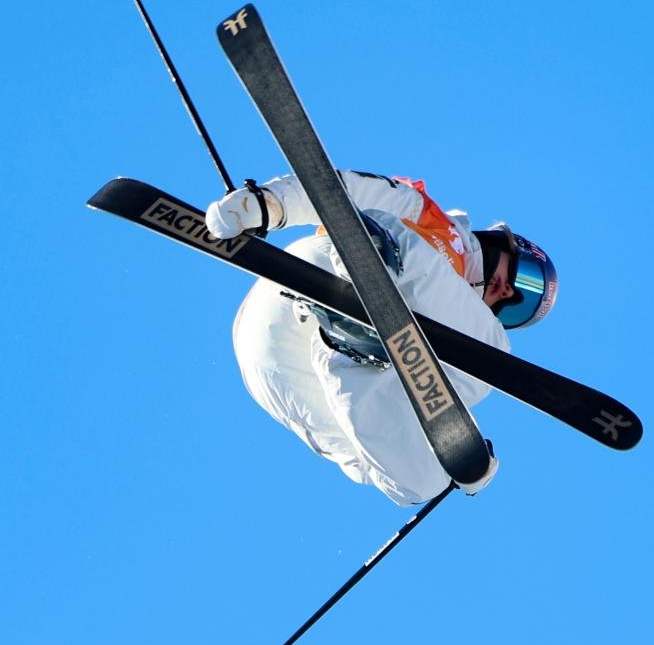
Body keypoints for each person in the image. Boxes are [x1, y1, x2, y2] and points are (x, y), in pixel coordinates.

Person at [206, 171, 557, 506]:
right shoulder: (436, 222)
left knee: (423, 482)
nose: (511, 293)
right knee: (488, 357)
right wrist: (272, 204)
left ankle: (348, 339)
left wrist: (462, 458)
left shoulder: (458, 323)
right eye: (526, 279)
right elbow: (343, 190)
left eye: (519, 309)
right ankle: (369, 263)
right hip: (316, 272)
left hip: (277, 367)